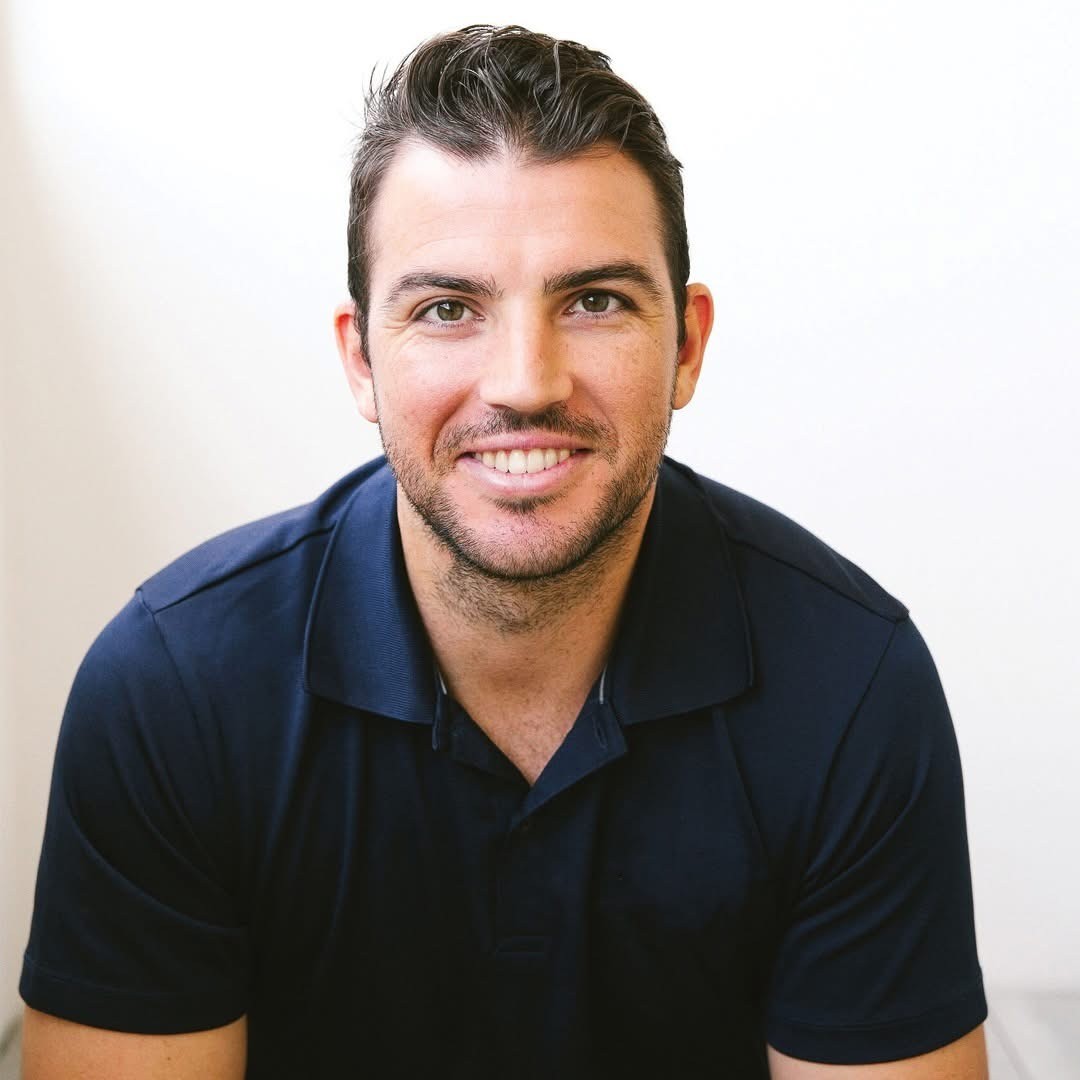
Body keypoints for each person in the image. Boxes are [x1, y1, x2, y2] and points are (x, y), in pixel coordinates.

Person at [19, 24, 988, 1080]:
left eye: (595, 301)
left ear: (687, 346)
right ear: (360, 361)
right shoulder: (173, 690)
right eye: (447, 309)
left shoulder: (850, 683)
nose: (525, 380)